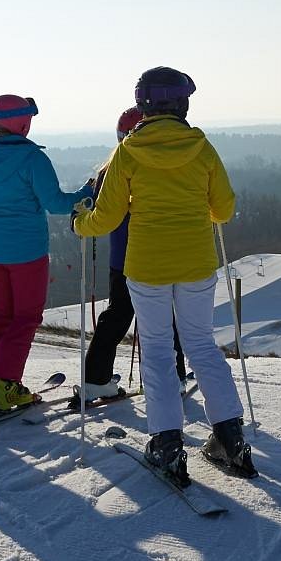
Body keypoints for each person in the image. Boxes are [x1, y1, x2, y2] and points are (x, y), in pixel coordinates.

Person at [73, 67, 253, 482]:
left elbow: (107, 217)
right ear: (183, 103)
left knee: (155, 350)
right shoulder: (202, 147)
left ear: (143, 105)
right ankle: (230, 437)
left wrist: (81, 222)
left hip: (147, 266)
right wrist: (196, 210)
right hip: (196, 263)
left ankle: (167, 445)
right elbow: (223, 210)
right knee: (202, 346)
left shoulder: (129, 151)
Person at [0, 95, 90, 417]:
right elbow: (56, 203)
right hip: (27, 252)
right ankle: (5, 384)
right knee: (25, 318)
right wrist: (87, 195)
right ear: (23, 123)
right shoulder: (32, 158)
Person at [81, 106, 190, 404]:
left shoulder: (106, 173)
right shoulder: (165, 169)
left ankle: (95, 378)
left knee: (117, 316)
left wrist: (80, 219)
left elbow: (89, 205)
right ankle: (175, 377)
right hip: (159, 256)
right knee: (164, 318)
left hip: (122, 260)